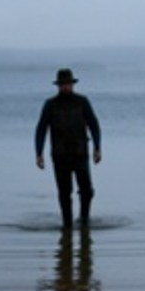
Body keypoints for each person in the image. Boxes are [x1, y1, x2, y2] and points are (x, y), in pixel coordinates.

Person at [34, 67, 102, 230]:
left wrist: (97, 148)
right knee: (64, 193)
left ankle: (84, 220)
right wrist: (39, 153)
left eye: (68, 84)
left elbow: (94, 125)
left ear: (72, 84)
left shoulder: (82, 102)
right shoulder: (50, 105)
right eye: (62, 84)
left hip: (80, 153)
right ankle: (67, 225)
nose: (65, 87)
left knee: (86, 191)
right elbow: (41, 128)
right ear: (58, 86)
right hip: (59, 155)